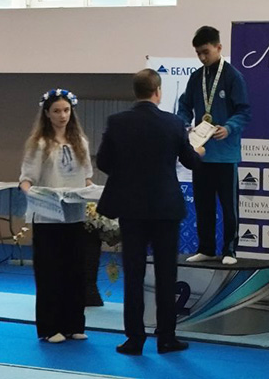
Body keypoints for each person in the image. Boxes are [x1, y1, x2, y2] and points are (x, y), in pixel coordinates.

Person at [96, 69, 203, 356]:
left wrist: (128, 172)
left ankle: (134, 339)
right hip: (166, 208)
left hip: (131, 209)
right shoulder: (173, 123)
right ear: (158, 92)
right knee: (166, 275)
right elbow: (190, 162)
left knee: (134, 275)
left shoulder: (117, 122)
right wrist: (199, 151)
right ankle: (166, 338)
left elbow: (103, 162)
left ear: (136, 92)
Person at [19, 89, 93, 343]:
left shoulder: (80, 142)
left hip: (74, 216)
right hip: (48, 217)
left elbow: (87, 178)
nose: (62, 116)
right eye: (57, 111)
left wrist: (93, 195)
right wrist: (33, 195)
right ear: (47, 114)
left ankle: (74, 324)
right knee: (50, 272)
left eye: (66, 110)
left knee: (75, 271)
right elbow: (26, 180)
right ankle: (50, 327)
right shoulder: (40, 144)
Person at [177, 26, 251, 265]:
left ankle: (229, 251)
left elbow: (244, 111)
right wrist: (184, 124)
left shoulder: (233, 77)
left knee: (229, 207)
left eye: (206, 52)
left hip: (226, 155)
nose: (202, 57)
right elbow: (184, 105)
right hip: (201, 153)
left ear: (219, 47)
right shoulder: (196, 77)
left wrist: (228, 127)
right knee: (203, 205)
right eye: (198, 53)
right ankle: (206, 248)